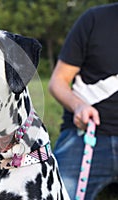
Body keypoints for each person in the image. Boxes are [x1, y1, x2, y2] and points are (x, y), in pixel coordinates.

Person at [49, 3, 118, 200]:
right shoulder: (94, 20)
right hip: (84, 134)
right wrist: (78, 106)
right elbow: (58, 82)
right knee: (57, 195)